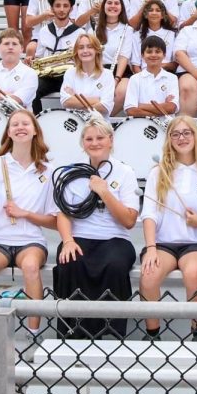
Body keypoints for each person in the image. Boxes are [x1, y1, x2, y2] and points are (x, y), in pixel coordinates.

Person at [0, 110, 57, 360]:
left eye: (25, 123)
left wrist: (25, 213)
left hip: (30, 241)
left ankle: (33, 334)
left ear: (34, 130)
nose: (20, 127)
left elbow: (53, 219)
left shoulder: (48, 170)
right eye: (14, 124)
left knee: (31, 267)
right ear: (8, 132)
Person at [53, 116, 140, 339]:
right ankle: (73, 330)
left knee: (114, 264)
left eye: (100, 138)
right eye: (89, 139)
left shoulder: (125, 172)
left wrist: (104, 192)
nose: (95, 143)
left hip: (115, 238)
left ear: (110, 140)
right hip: (80, 236)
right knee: (70, 261)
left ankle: (110, 331)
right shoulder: (71, 173)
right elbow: (63, 214)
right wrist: (68, 241)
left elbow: (129, 221)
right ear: (83, 144)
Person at [140, 118, 197, 341]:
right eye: (175, 134)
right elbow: (149, 214)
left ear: (195, 136)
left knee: (193, 273)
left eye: (186, 133)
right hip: (164, 243)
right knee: (149, 275)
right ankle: (152, 334)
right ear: (169, 140)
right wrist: (151, 248)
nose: (181, 138)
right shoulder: (158, 172)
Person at [25, 0, 80, 113]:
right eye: (58, 6)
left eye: (65, 6)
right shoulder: (44, 31)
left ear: (71, 9)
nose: (61, 9)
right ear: (52, 8)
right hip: (48, 76)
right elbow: (38, 57)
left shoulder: (80, 33)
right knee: (31, 91)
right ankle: (37, 123)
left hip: (71, 76)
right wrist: (31, 61)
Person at [0, 29, 39, 109]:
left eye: (14, 44)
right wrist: (9, 95)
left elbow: (18, 99)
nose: (10, 47)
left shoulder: (30, 73)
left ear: (22, 48)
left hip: (19, 120)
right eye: (6, 44)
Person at [60, 33, 116, 117]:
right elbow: (66, 102)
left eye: (90, 47)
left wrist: (77, 105)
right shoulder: (70, 73)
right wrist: (96, 100)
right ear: (77, 52)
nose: (85, 51)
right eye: (81, 48)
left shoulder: (107, 75)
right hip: (76, 125)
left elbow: (105, 107)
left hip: (99, 125)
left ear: (96, 50)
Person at [123, 36, 180, 118]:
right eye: (149, 52)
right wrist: (161, 111)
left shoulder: (172, 78)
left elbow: (171, 108)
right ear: (142, 55)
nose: (153, 55)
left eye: (157, 52)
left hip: (166, 127)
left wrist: (140, 105)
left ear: (164, 55)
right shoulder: (135, 79)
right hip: (142, 126)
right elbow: (131, 110)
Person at [94, 0, 132, 112]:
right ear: (103, 6)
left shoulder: (128, 29)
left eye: (117, 3)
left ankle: (103, 121)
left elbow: (124, 56)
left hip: (120, 71)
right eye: (109, 3)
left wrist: (116, 79)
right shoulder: (93, 28)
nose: (113, 6)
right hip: (99, 70)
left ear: (121, 8)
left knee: (121, 91)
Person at [128, 0, 177, 74]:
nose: (154, 13)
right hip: (143, 75)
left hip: (167, 74)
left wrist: (160, 66)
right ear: (146, 15)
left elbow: (175, 64)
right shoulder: (136, 35)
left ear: (162, 15)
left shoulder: (172, 34)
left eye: (158, 10)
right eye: (151, 10)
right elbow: (135, 66)